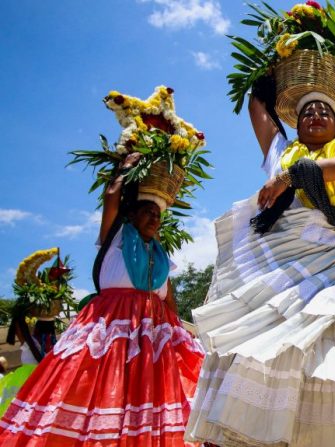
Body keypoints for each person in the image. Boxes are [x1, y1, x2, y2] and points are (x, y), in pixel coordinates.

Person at [185, 81, 335, 446]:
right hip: (279, 272)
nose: (315, 115)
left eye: (324, 111)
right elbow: (258, 109)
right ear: (294, 125)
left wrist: (289, 177)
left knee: (326, 351)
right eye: (306, 112)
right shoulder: (283, 152)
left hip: (330, 275)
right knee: (268, 352)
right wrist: (271, 68)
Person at [0, 153, 204, 445]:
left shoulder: (160, 259)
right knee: (106, 398)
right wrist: (124, 168)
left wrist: (180, 333)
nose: (154, 218)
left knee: (152, 403)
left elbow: (170, 301)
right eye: (147, 211)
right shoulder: (116, 237)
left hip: (155, 340)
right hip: (112, 333)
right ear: (131, 215)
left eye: (158, 215)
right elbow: (112, 198)